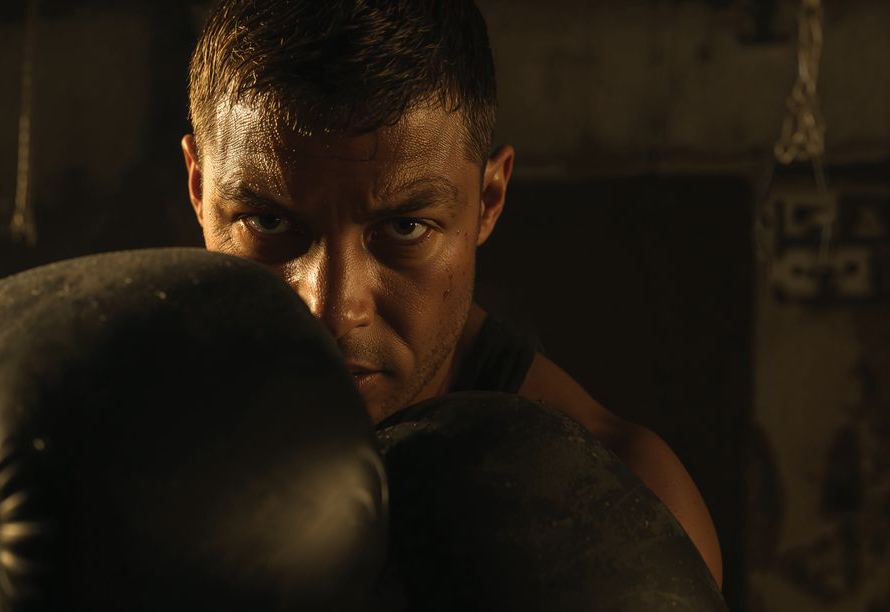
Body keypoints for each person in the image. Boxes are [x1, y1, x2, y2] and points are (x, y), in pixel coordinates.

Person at [179, 0, 723, 588]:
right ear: (199, 188)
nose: (333, 311)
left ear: (488, 201)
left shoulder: (629, 515)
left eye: (405, 228)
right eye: (268, 223)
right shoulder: (120, 442)